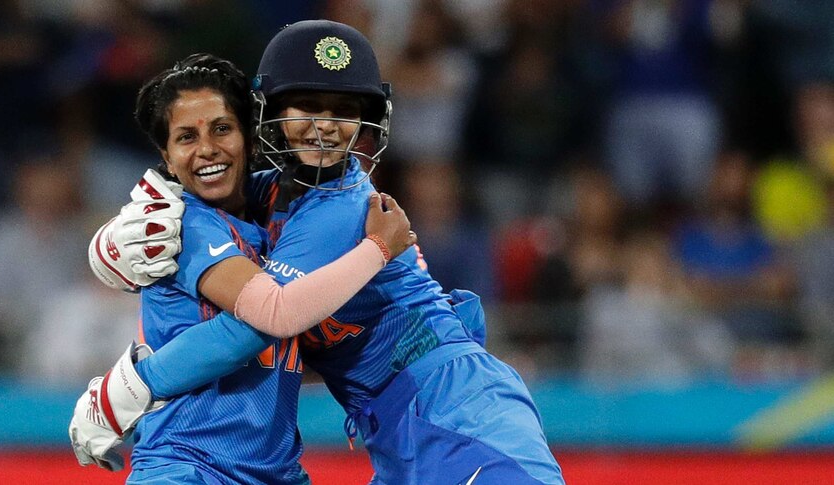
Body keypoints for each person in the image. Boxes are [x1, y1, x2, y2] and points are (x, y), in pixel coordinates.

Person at [78, 21, 565, 485]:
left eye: (343, 110)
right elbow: (178, 216)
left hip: (458, 410)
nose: (326, 126)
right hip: (400, 425)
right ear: (267, 116)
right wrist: (110, 243)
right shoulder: (270, 195)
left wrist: (126, 389)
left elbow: (271, 315)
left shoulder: (342, 205)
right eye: (307, 105)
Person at [68, 52, 415, 484]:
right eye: (185, 137)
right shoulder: (179, 225)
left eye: (222, 128)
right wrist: (378, 248)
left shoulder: (282, 206)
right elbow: (269, 318)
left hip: (275, 471)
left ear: (251, 138)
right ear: (166, 156)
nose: (207, 149)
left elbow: (328, 181)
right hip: (188, 468)